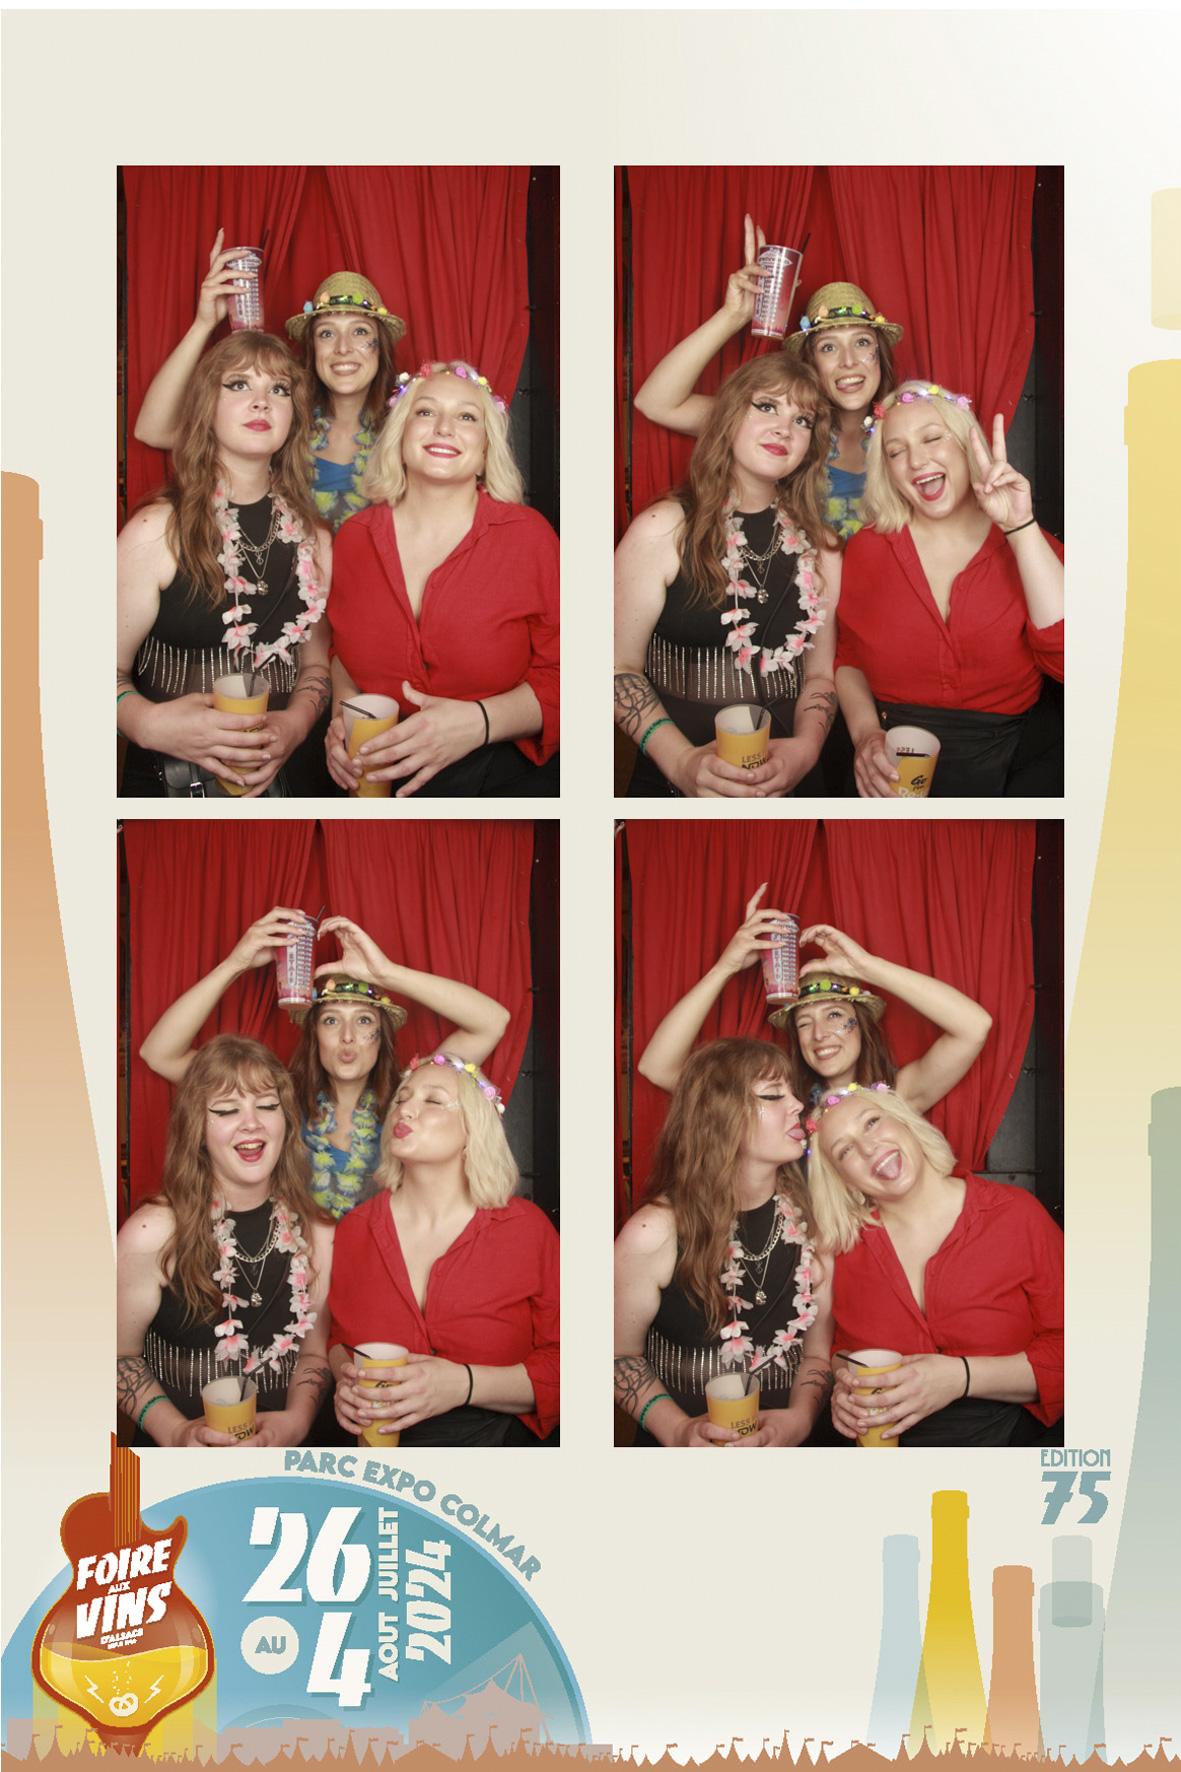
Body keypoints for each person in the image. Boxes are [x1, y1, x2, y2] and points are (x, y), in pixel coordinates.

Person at [139, 909, 510, 1221]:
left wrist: (386, 973)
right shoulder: (273, 1099)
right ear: (314, 1035)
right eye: (331, 1021)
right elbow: (160, 1054)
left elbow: (492, 1021)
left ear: (381, 1036)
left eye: (364, 1021)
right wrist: (235, 964)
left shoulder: (411, 1098)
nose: (347, 1037)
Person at [325, 361, 560, 797]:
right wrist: (342, 717)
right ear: (400, 436)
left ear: (486, 450)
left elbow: (572, 675)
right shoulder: (354, 538)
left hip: (500, 780)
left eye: (467, 416)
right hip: (373, 778)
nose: (445, 427)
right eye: (426, 411)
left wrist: (480, 722)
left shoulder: (529, 537)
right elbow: (343, 652)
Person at [614, 354, 841, 798]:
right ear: (728, 416)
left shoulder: (823, 547)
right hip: (676, 783)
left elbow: (819, 676)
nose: (784, 428)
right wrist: (681, 763)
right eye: (767, 406)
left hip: (791, 783)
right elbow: (615, 668)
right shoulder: (663, 529)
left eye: (802, 420)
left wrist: (806, 750)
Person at [117, 330, 333, 797]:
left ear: (294, 416)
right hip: (170, 787)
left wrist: (295, 725)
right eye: (238, 384)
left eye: (279, 389)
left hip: (292, 782)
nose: (261, 402)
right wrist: (145, 723)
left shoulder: (316, 541)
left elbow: (317, 665)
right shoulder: (155, 531)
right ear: (205, 407)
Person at [837, 383, 1065, 798]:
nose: (916, 460)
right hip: (894, 763)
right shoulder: (866, 549)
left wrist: (1020, 528)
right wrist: (866, 734)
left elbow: (1076, 662)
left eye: (932, 438)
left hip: (1017, 759)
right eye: (896, 452)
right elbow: (849, 656)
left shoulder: (1030, 544)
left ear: (965, 445)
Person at [805, 1083, 1063, 1446]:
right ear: (844, 1182)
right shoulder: (842, 1250)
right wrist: (845, 1386)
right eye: (845, 1150)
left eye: (872, 1122)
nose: (868, 1147)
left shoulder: (1016, 1214)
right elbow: (841, 1349)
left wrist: (962, 1377)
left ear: (906, 1122)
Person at [328, 1054, 559, 1446]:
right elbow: (339, 1341)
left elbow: (571, 1364)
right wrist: (345, 1381)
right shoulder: (355, 1229)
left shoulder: (527, 1228)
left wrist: (464, 1384)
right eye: (402, 1098)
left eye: (433, 1100)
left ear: (473, 1128)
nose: (405, 1109)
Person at [614, 1039, 834, 1446]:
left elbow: (817, 1354)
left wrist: (800, 1421)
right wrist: (677, 1430)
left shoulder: (813, 1221)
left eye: (793, 1092)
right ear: (719, 1115)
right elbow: (616, 1356)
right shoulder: (653, 1232)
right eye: (773, 1095)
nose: (798, 1105)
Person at [116, 1036, 334, 1447]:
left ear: (286, 1122)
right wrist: (175, 1432)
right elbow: (116, 1357)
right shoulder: (152, 1234)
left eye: (267, 1106)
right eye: (227, 1110)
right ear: (197, 1129)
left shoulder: (318, 1233)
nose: (251, 1123)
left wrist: (296, 1423)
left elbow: (313, 1354)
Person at [633, 216, 903, 542]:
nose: (848, 361)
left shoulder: (907, 425)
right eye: (829, 347)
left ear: (880, 355)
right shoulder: (780, 424)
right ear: (811, 363)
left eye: (862, 343)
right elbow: (655, 403)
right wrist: (733, 315)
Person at [134, 239, 406, 534]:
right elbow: (152, 431)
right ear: (312, 349)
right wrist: (203, 323)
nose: (343, 347)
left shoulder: (408, 425)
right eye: (327, 333)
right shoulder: (282, 419)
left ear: (381, 348)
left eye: (360, 332)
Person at [639, 895, 992, 1116]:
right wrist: (725, 967)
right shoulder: (777, 1105)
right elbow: (657, 1067)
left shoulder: (899, 1095)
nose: (819, 1034)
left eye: (835, 1015)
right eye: (804, 1023)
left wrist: (867, 967)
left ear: (862, 1025)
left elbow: (974, 1027)